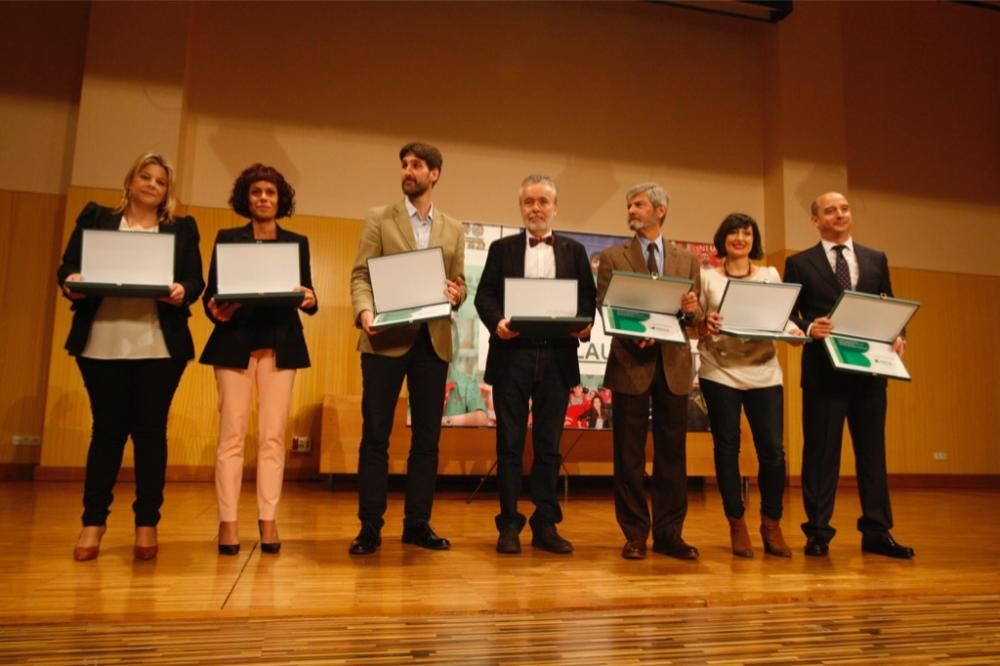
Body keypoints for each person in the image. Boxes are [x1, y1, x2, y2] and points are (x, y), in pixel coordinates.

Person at [58, 152, 204, 562]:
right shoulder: (96, 217)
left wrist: (181, 290)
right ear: (130, 181)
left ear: (166, 193)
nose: (152, 185)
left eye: (160, 181)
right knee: (106, 431)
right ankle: (93, 521)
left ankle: (146, 523)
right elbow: (68, 266)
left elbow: (195, 279)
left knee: (150, 433)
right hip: (100, 341)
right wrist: (70, 281)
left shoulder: (181, 229)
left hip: (159, 345)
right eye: (145, 176)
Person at [349, 142, 466, 554]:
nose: (407, 171)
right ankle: (370, 527)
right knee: (375, 436)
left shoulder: (454, 228)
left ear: (434, 174)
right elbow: (361, 275)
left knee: (427, 441)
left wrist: (456, 293)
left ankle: (417, 524)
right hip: (383, 340)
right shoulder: (379, 218)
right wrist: (364, 313)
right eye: (403, 165)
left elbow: (460, 283)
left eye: (416, 165)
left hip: (432, 342)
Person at [784, 192, 914, 559]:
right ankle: (818, 531)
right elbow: (788, 315)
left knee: (873, 454)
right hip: (824, 374)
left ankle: (877, 530)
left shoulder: (876, 259)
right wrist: (809, 328)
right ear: (815, 220)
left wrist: (899, 335)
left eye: (844, 209)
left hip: (870, 372)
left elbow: (890, 306)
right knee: (821, 455)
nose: (839, 215)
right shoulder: (800, 263)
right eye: (830, 210)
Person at [474, 175, 596, 555]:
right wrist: (498, 323)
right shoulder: (501, 248)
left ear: (555, 207)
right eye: (529, 202)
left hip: (557, 357)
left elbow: (587, 299)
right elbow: (485, 296)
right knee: (508, 444)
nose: (536, 208)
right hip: (513, 355)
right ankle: (508, 525)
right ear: (521, 207)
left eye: (543, 201)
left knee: (549, 445)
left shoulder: (575, 251)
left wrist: (583, 325)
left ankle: (546, 524)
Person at [200, 164, 317, 556]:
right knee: (231, 436)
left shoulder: (297, 242)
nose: (263, 198)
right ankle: (227, 522)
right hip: (234, 341)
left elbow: (307, 293)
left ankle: (269, 518)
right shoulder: (227, 238)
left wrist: (310, 298)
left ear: (281, 199)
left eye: (270, 192)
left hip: (280, 342)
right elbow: (211, 294)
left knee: (272, 437)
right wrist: (215, 309)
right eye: (256, 192)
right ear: (245, 199)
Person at [596, 182, 701, 561]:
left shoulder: (686, 260)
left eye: (638, 204)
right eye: (628, 205)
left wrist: (690, 309)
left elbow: (697, 316)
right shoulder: (612, 257)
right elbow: (605, 307)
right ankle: (635, 534)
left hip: (672, 365)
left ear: (660, 211)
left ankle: (671, 534)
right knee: (629, 454)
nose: (631, 211)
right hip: (630, 362)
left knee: (673, 453)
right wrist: (634, 335)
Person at [697, 213, 804, 558]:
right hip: (720, 370)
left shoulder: (771, 275)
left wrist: (794, 332)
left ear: (753, 239)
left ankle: (771, 524)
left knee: (773, 451)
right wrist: (704, 322)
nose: (740, 238)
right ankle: (736, 524)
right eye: (733, 232)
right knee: (727, 449)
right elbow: (695, 324)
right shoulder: (707, 277)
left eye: (746, 233)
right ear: (723, 238)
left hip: (764, 372)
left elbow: (780, 315)